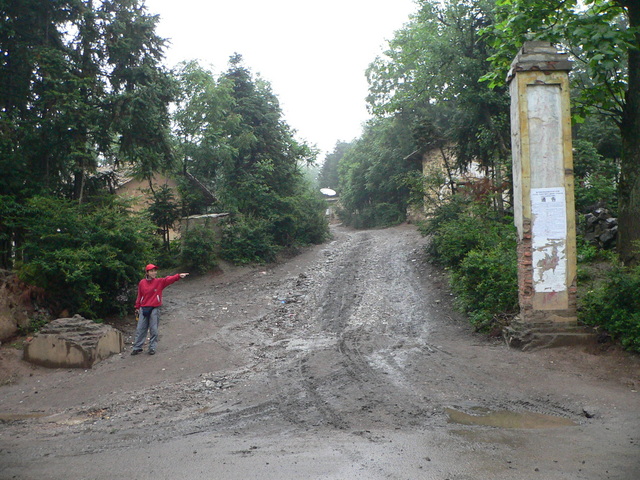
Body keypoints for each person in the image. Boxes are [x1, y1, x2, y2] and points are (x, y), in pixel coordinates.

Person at [132, 264, 189, 355]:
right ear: (147, 272)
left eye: (155, 271)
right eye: (151, 271)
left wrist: (178, 276)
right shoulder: (142, 283)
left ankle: (152, 348)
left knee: (154, 329)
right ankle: (137, 347)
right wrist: (137, 307)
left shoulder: (159, 282)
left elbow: (168, 279)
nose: (154, 273)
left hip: (155, 308)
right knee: (140, 329)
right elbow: (140, 295)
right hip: (143, 308)